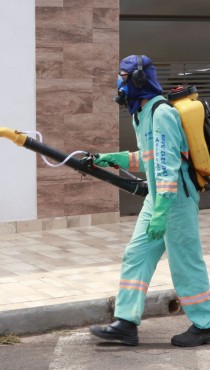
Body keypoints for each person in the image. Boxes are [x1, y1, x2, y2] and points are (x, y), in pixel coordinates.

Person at [89, 55, 210, 347]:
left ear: (139, 80)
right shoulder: (140, 114)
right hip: (158, 200)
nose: (120, 82)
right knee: (136, 255)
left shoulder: (161, 114)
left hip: (175, 200)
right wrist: (116, 159)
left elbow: (168, 169)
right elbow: (150, 159)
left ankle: (205, 323)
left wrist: (161, 214)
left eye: (124, 76)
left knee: (184, 261)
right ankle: (126, 323)